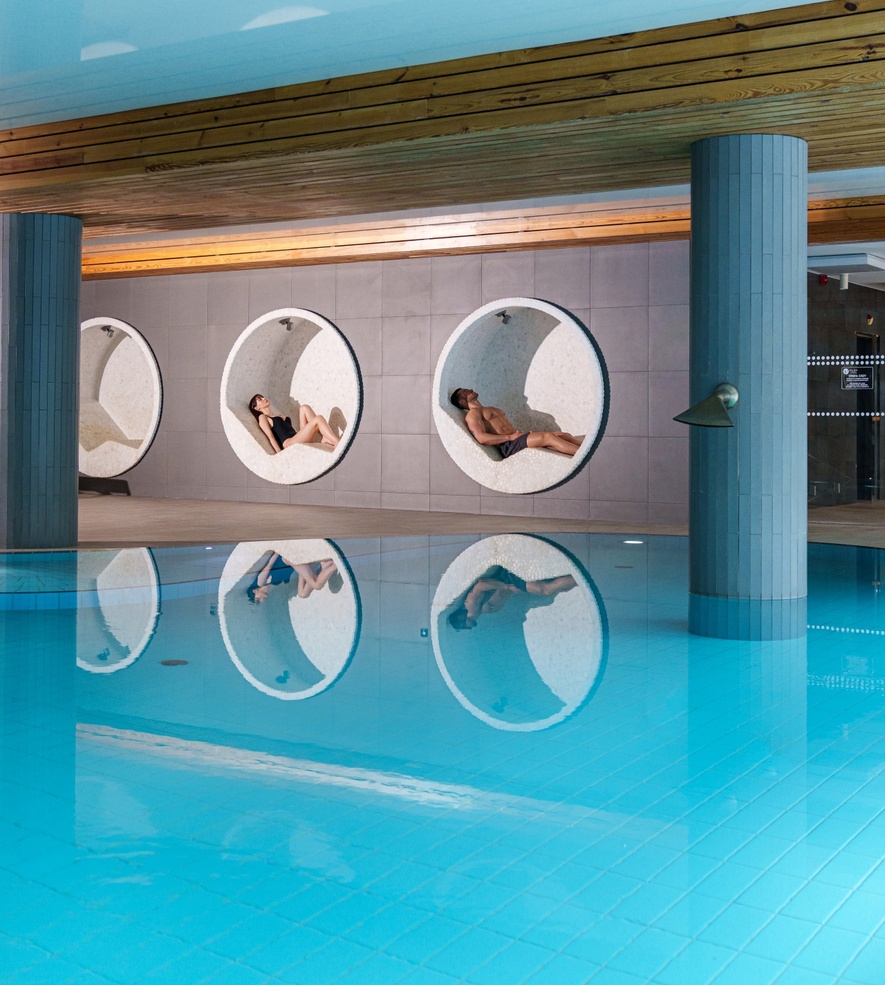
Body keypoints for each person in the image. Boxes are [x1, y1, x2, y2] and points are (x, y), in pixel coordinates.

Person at [449, 387, 581, 457]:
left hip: (516, 439)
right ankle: (584, 455)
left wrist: (518, 435)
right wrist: (510, 437)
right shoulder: (473, 415)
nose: (471, 389)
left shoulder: (488, 408)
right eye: (466, 391)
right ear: (462, 401)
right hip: (507, 445)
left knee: (564, 435)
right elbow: (481, 438)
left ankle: (586, 449)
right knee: (548, 437)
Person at [448, 566, 577, 631]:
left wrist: (507, 586)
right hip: (511, 585)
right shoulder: (483, 610)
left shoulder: (471, 605)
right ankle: (578, 579)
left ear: (461, 618)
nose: (468, 628)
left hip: (507, 579)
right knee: (562, 589)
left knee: (546, 590)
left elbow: (481, 584)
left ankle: (581, 577)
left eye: (463, 627)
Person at [249, 394, 339, 453]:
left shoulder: (278, 415)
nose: (264, 398)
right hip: (289, 444)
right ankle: (337, 442)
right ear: (256, 408)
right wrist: (280, 455)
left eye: (263, 397)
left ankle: (324, 437)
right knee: (318, 419)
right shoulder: (263, 418)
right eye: (260, 399)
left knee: (304, 408)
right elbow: (271, 437)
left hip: (297, 438)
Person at [248, 551, 340, 604]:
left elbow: (270, 564)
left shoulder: (261, 582)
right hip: (295, 565)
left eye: (258, 599)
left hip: (289, 559)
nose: (262, 600)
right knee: (302, 594)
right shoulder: (271, 586)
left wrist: (279, 549)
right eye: (260, 601)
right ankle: (324, 567)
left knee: (317, 585)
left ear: (255, 590)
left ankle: (335, 565)